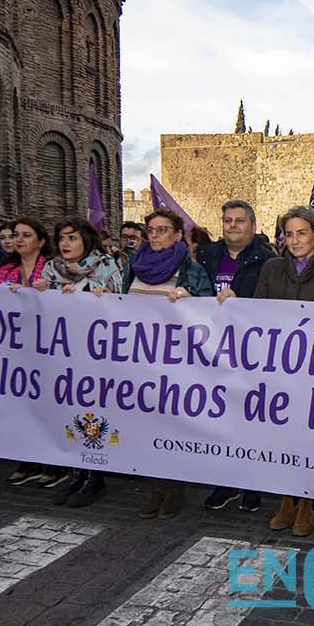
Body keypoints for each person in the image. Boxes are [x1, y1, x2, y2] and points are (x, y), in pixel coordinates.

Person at [238, 206, 314, 536]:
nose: (295, 239)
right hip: (279, 369)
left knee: (311, 438)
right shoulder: (271, 269)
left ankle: (308, 501)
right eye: (289, 234)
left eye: (302, 232)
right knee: (283, 435)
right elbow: (257, 316)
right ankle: (287, 497)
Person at [110, 208, 214, 519]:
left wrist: (190, 297)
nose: (155, 235)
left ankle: (176, 488)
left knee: (173, 427)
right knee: (146, 426)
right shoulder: (135, 266)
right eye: (152, 230)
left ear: (178, 235)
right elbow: (121, 305)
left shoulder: (191, 268)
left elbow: (209, 309)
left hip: (176, 366)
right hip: (139, 363)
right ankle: (156, 487)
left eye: (163, 230)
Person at [0, 217, 65, 489]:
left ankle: (54, 463)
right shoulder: (7, 269)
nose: (19, 240)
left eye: (26, 235)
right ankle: (28, 460)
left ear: (41, 240)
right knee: (22, 405)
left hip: (49, 346)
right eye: (15, 235)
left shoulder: (52, 268)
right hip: (17, 347)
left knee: (49, 405)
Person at [201, 199, 277, 514]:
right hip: (212, 351)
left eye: (240, 221)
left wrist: (241, 301)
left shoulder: (268, 260)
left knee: (249, 421)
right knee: (219, 419)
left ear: (253, 226)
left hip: (251, 354)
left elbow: (273, 306)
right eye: (228, 220)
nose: (233, 225)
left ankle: (252, 484)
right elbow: (196, 290)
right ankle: (224, 482)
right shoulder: (207, 255)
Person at [41, 218, 124, 509]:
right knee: (68, 410)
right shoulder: (52, 269)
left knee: (93, 410)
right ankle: (76, 472)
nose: (66, 244)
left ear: (86, 241)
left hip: (96, 353)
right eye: (62, 238)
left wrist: (97, 296)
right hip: (62, 351)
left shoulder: (106, 266)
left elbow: (119, 305)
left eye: (72, 238)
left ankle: (95, 474)